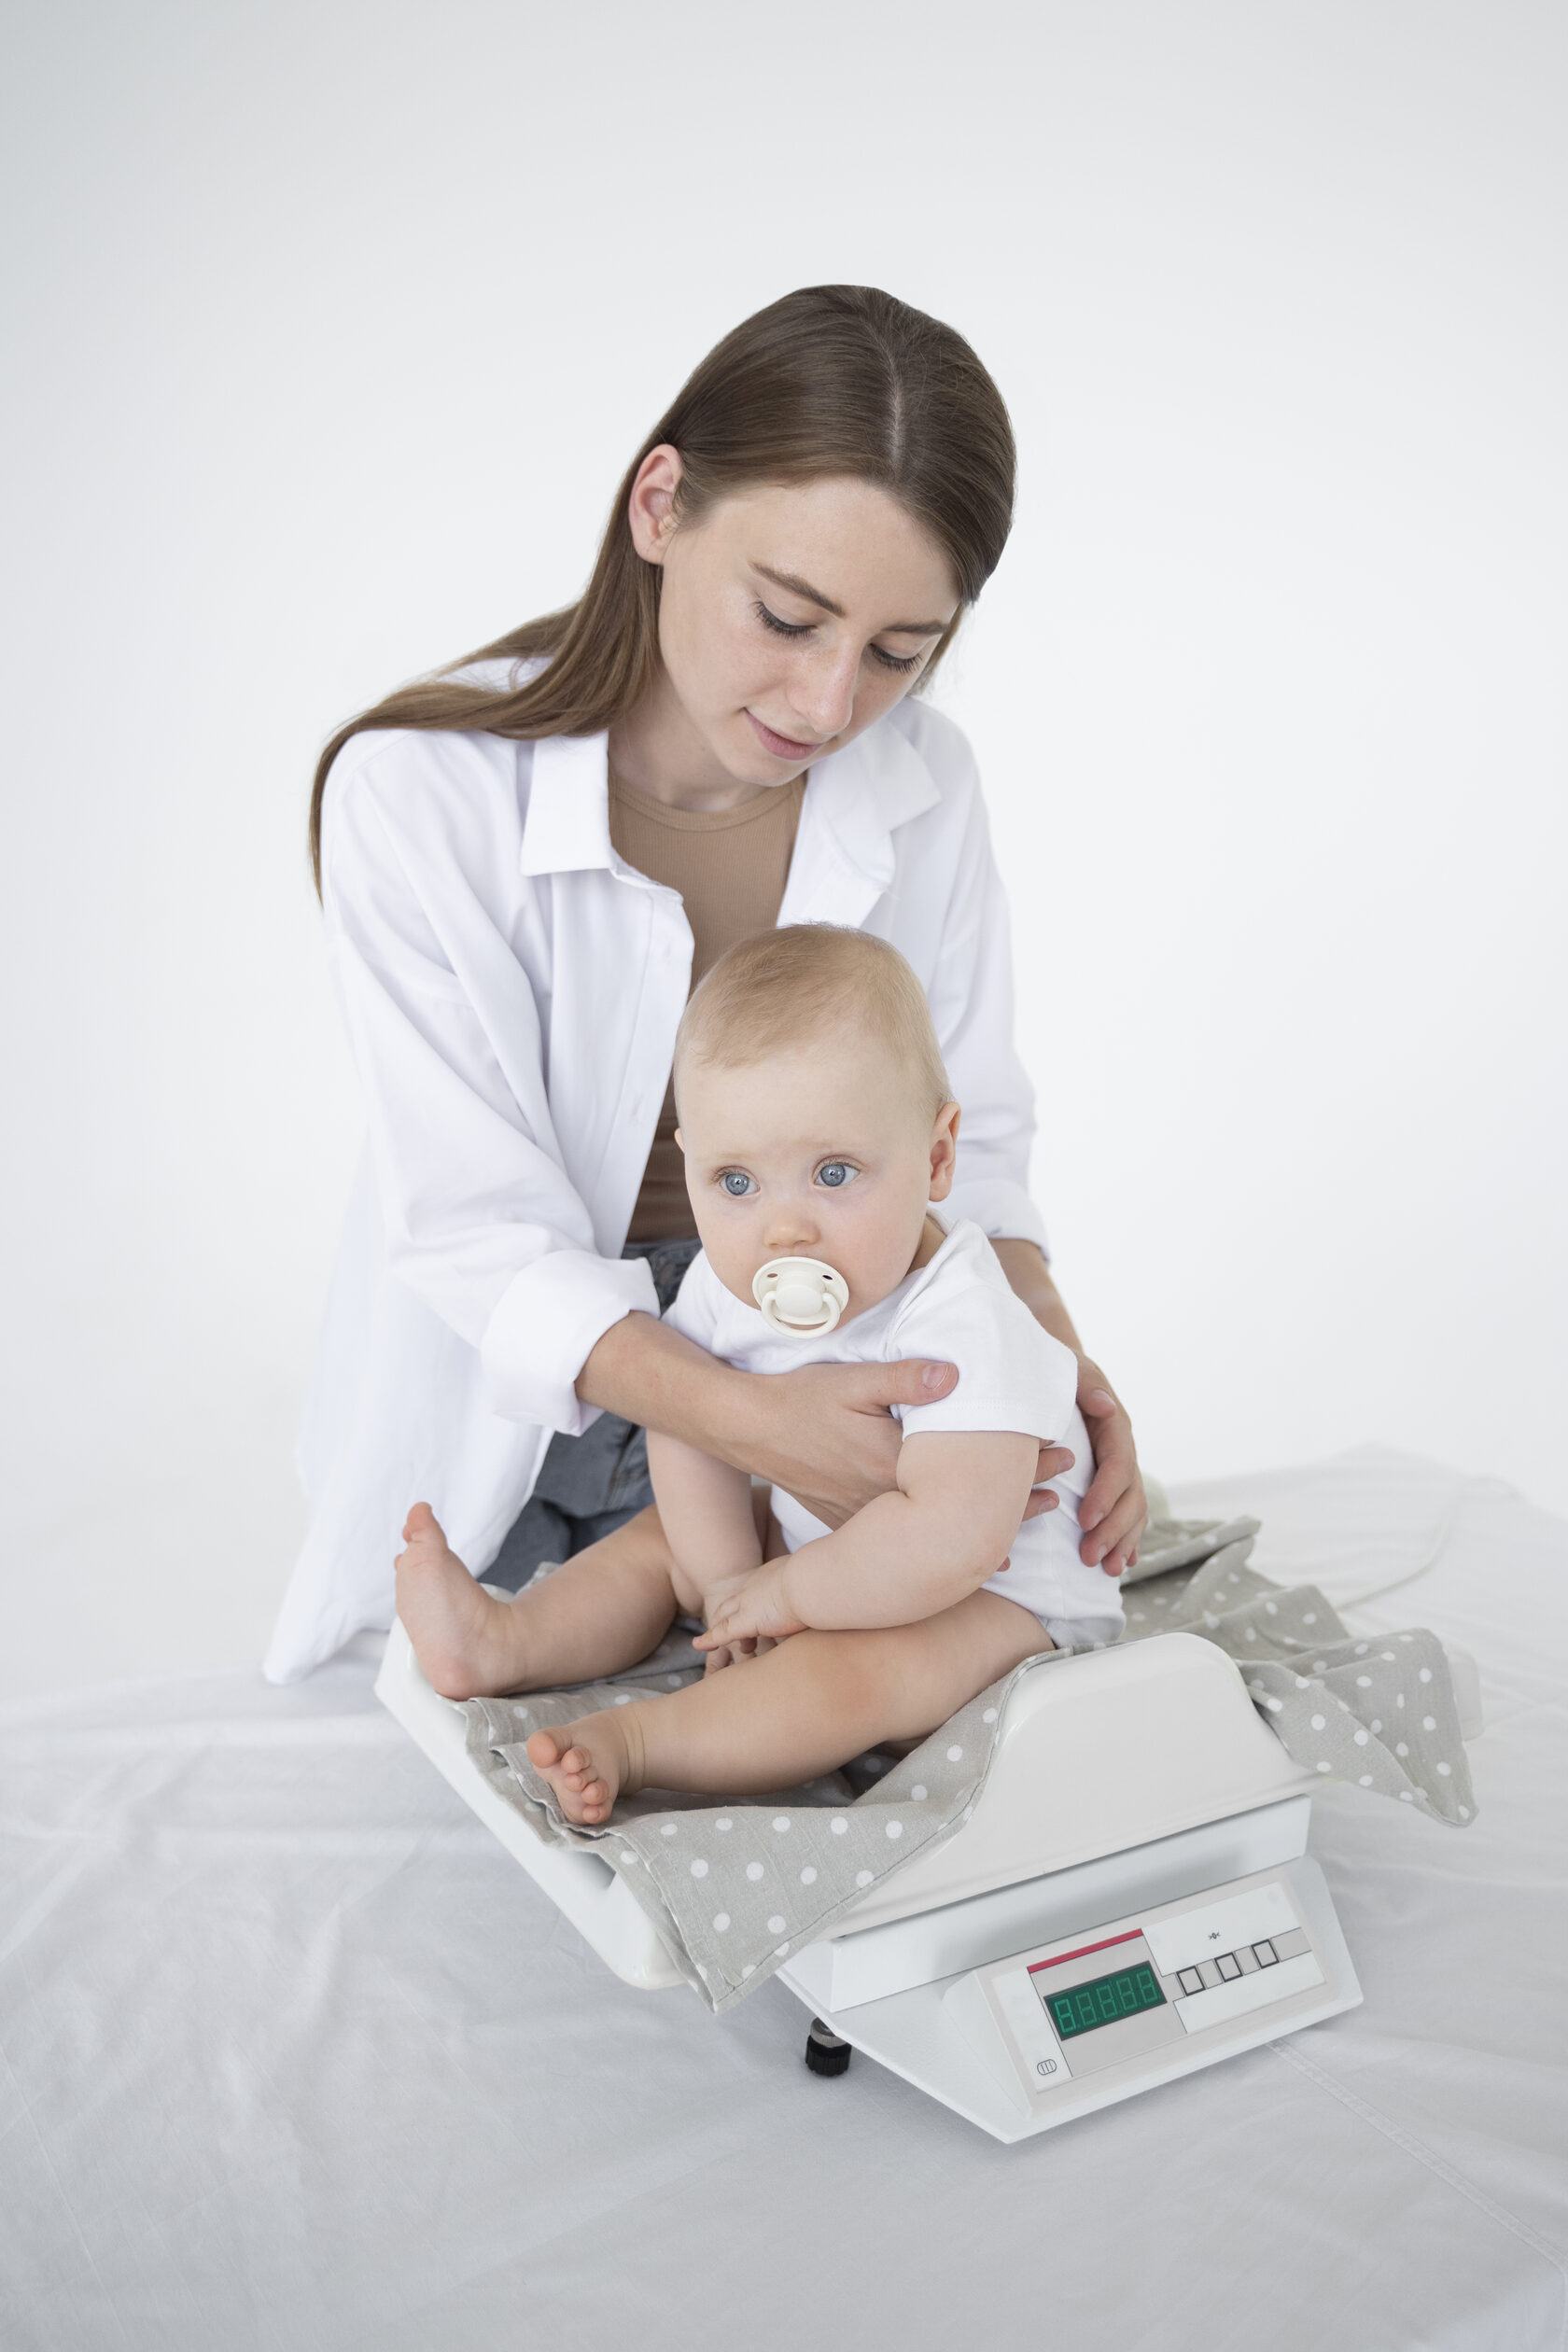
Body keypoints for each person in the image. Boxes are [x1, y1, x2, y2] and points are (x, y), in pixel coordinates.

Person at [263, 283, 1145, 1687]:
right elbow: (478, 1234)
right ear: (661, 506)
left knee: (955, 1633)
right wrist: (747, 1421)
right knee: (712, 1617)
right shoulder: (419, 793)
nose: (829, 706)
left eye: (899, 655)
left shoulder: (927, 782)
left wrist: (1049, 1371)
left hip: (840, 1337)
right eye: (788, 618)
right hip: (553, 1409)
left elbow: (971, 1137)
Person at [395, 927, 1124, 1821]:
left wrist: (783, 1594)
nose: (783, 1231)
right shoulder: (726, 1282)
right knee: (667, 1537)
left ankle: (640, 1744)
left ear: (936, 1158)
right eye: (736, 1183)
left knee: (858, 1669)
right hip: (827, 1550)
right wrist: (725, 1583)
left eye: (833, 1173)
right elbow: (689, 1430)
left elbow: (953, 1540)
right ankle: (504, 1639)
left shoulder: (966, 1322)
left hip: (997, 1605)